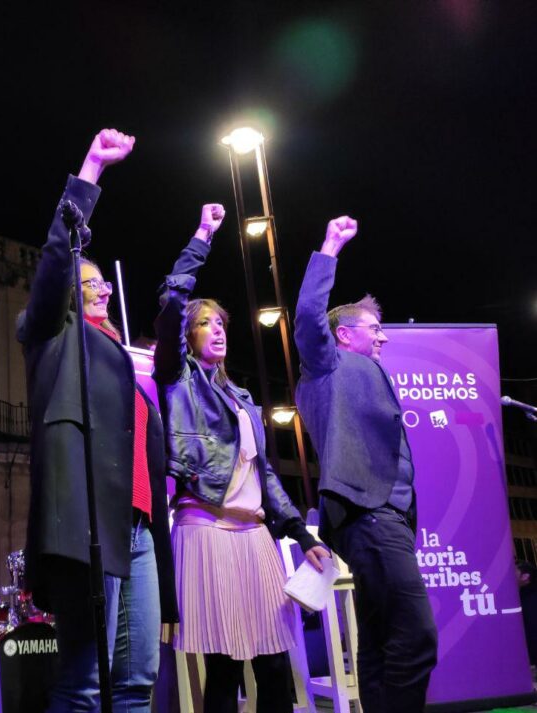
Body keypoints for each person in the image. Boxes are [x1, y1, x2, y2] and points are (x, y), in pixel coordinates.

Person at [17, 129, 178, 712]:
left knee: (138, 678)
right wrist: (91, 171)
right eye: (88, 286)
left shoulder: (118, 360)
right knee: (85, 681)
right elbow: (58, 258)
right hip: (90, 529)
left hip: (136, 530)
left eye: (103, 285)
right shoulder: (51, 337)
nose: (101, 292)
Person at [153, 213, 329, 713]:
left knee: (274, 663)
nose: (218, 330)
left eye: (222, 322)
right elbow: (170, 301)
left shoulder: (243, 398)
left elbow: (264, 476)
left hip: (256, 537)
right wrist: (202, 237)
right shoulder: (177, 380)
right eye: (205, 322)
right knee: (225, 666)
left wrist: (304, 536)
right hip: (206, 529)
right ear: (187, 335)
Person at [294, 216, 437, 712]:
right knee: (416, 639)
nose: (385, 338)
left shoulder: (365, 373)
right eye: (375, 329)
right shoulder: (327, 363)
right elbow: (308, 316)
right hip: (369, 515)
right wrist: (330, 246)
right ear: (343, 335)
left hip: (384, 518)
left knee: (379, 644)